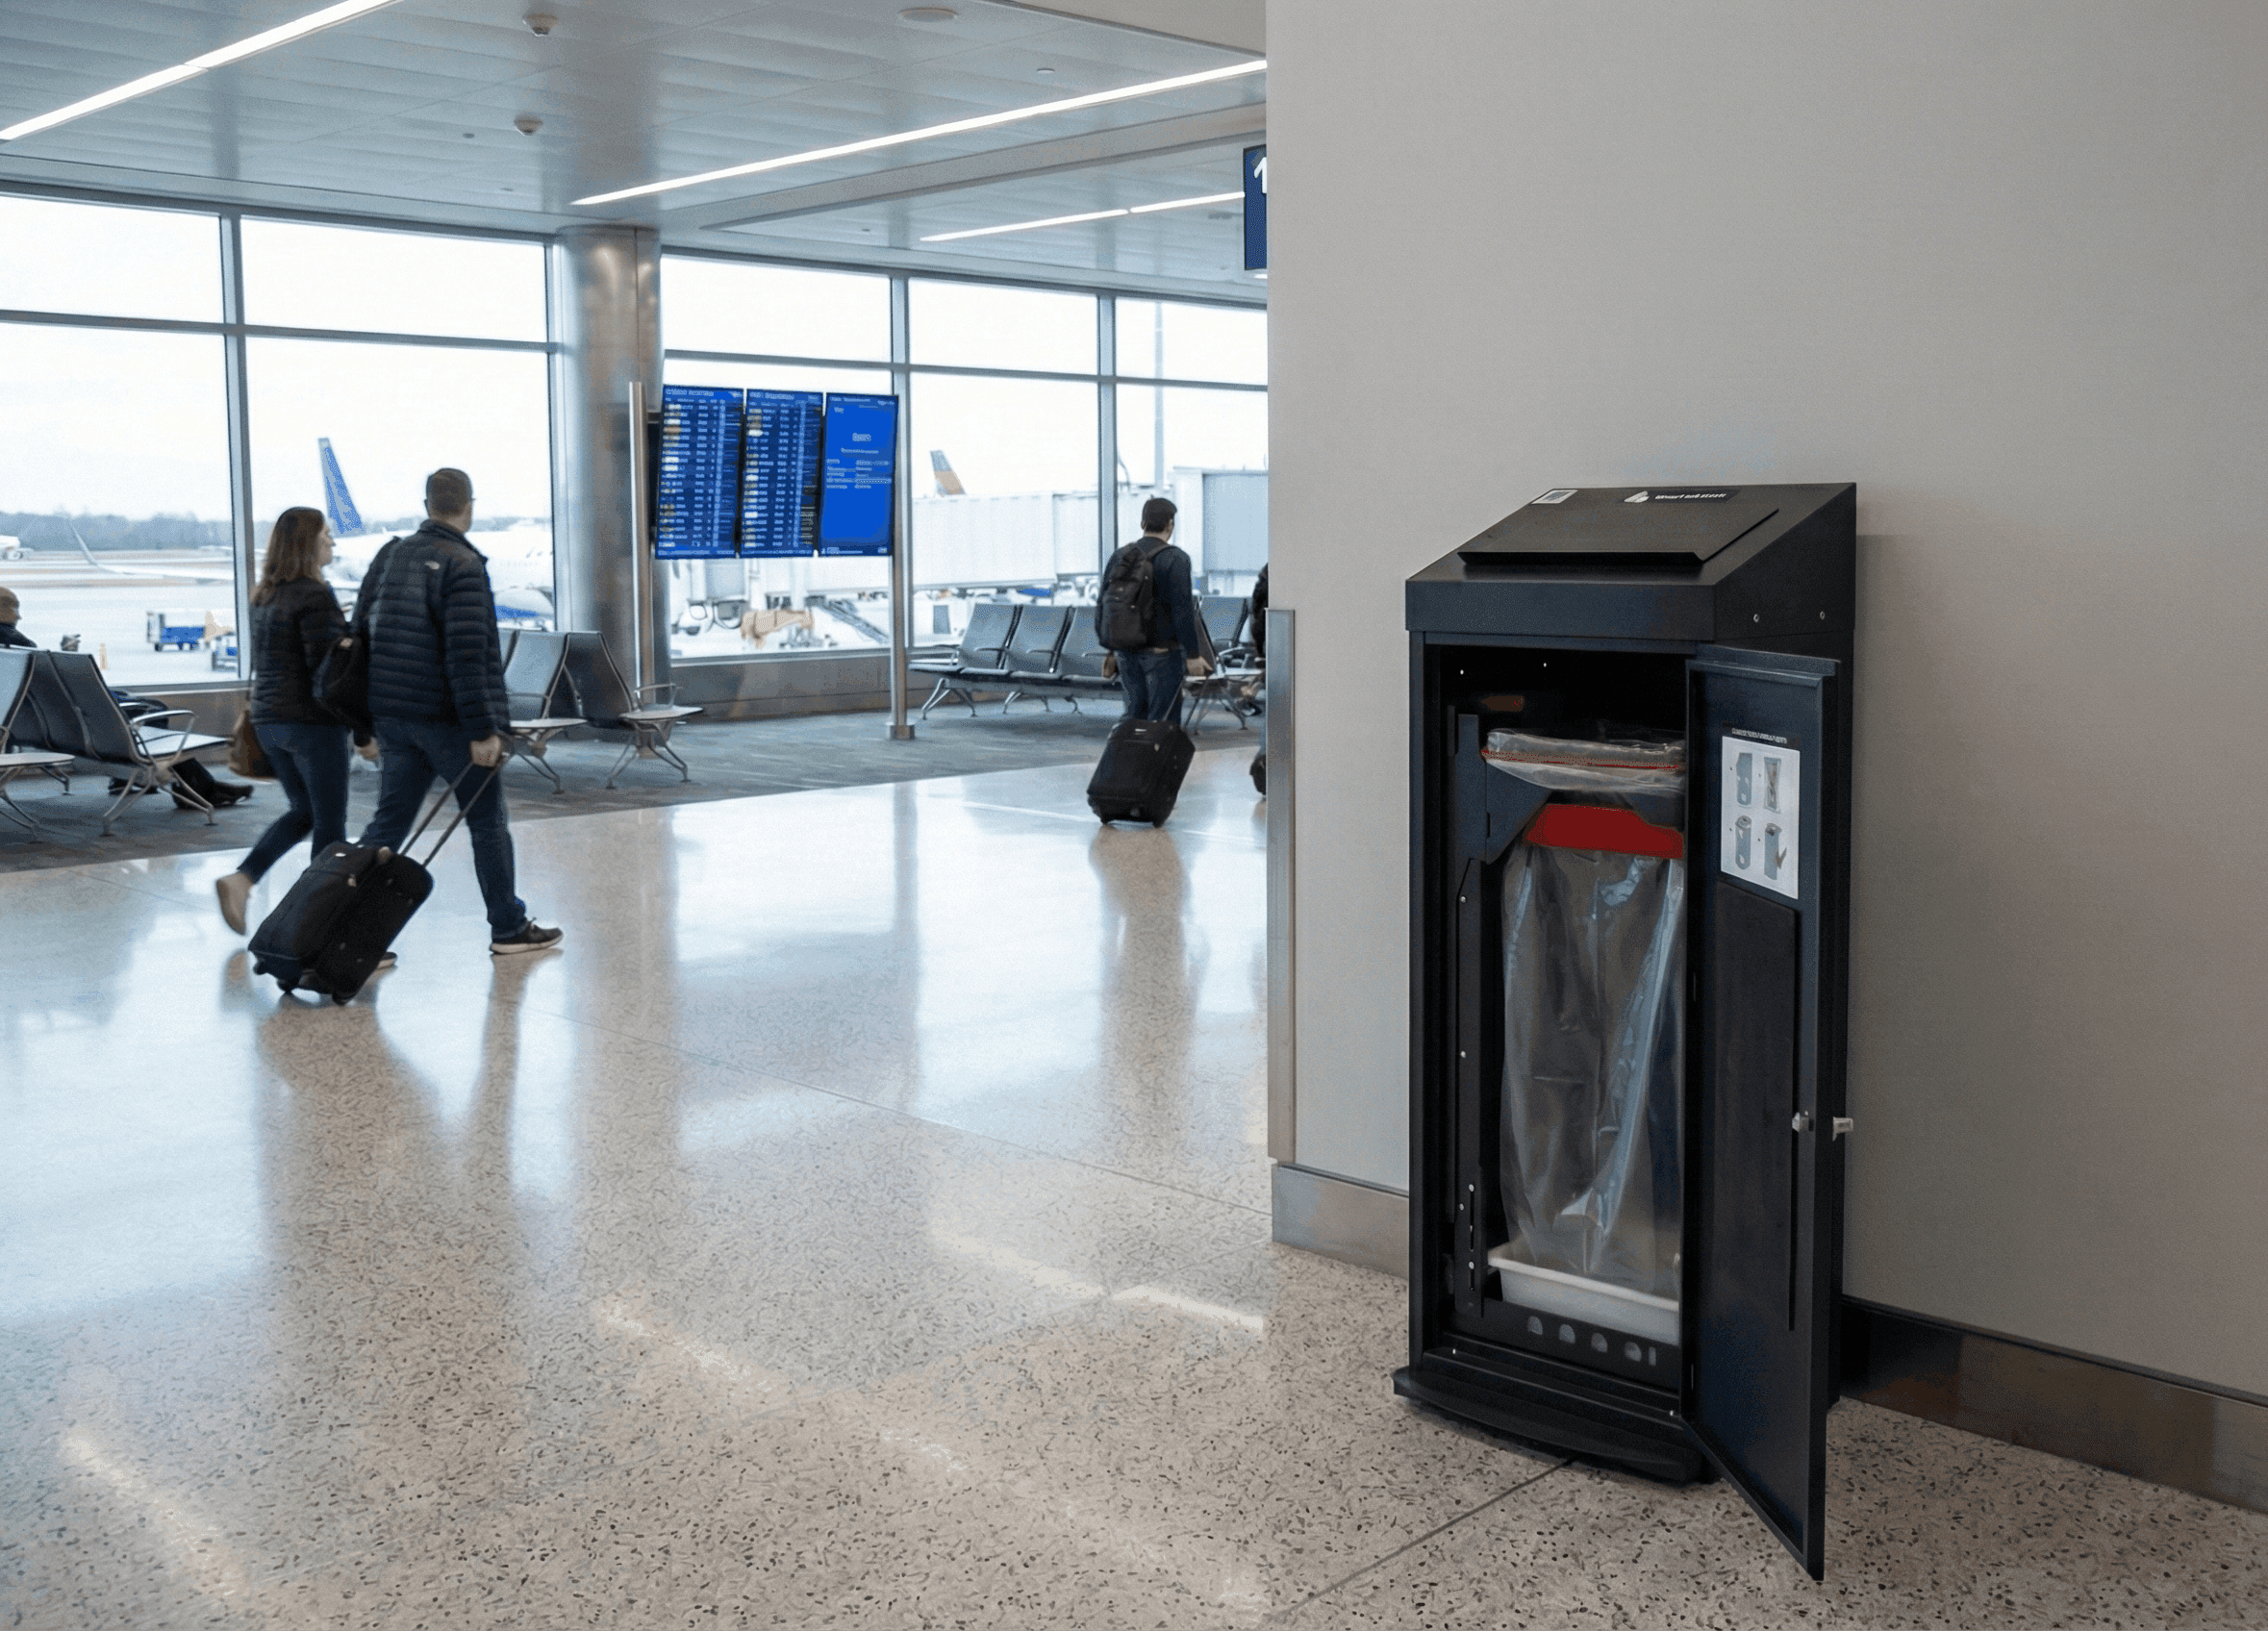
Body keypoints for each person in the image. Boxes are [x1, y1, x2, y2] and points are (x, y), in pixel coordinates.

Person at [355, 467, 561, 955]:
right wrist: (484, 728)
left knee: (387, 826)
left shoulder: (392, 555)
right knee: (487, 822)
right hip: (446, 720)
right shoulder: (463, 564)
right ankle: (508, 927)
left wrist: (367, 721)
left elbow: (363, 632)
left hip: (394, 717)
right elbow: (467, 655)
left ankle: (340, 922)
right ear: (469, 504)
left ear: (427, 504)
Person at [214, 508, 365, 935]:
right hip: (312, 725)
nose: (332, 543)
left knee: (303, 812)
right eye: (326, 536)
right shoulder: (315, 595)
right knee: (331, 831)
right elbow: (329, 675)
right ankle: (317, 928)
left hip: (269, 721)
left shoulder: (266, 594)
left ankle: (242, 879)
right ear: (308, 544)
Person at [0, 583, 254, 810]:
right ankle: (188, 787)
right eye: (13, 608)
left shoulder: (8, 656)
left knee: (133, 702)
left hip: (43, 728)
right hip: (84, 729)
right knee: (153, 709)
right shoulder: (19, 647)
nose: (19, 615)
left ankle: (139, 780)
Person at [1097, 496, 1212, 729]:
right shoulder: (1176, 558)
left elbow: (1105, 605)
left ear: (1142, 523)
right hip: (1162, 655)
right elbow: (1182, 611)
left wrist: (1110, 651)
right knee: (1163, 722)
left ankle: (1129, 762)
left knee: (1132, 718)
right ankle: (1156, 765)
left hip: (1126, 653)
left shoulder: (1120, 556)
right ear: (1170, 524)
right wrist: (1193, 654)